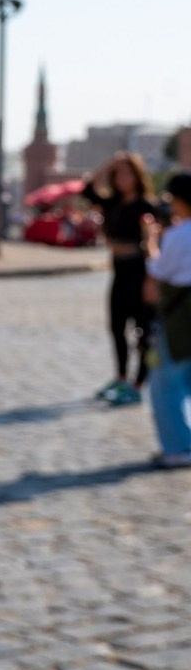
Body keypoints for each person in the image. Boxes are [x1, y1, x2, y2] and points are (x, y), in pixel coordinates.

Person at [82, 152, 156, 405]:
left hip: (140, 272)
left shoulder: (147, 206)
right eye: (119, 173)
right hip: (119, 272)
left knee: (142, 331)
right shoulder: (113, 203)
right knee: (116, 326)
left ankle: (139, 383)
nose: (123, 177)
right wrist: (109, 164)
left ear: (138, 176)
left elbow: (154, 243)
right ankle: (121, 377)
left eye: (128, 172)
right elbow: (88, 190)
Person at [142, 171, 191, 468]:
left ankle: (178, 446)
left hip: (179, 316)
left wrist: (150, 241)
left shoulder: (179, 235)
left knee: (166, 382)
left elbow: (156, 273)